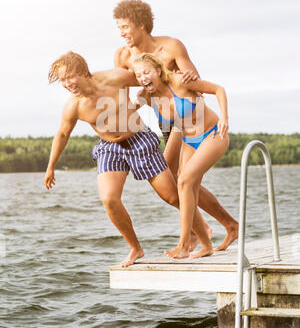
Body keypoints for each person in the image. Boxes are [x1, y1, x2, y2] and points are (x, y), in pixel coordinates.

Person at [44, 51, 213, 266]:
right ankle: (135, 248)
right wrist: (51, 167)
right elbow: (62, 134)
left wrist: (183, 80)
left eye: (70, 77)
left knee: (172, 197)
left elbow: (152, 77)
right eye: (62, 80)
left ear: (84, 72)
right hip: (109, 148)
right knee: (109, 198)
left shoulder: (114, 78)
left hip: (139, 138)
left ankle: (203, 235)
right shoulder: (73, 106)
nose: (67, 84)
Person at [113, 0, 238, 250]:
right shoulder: (123, 56)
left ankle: (198, 234)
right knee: (174, 184)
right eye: (119, 28)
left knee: (182, 180)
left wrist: (189, 79)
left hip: (186, 119)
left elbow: (195, 83)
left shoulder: (170, 47)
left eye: (125, 27)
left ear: (140, 25)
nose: (122, 33)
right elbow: (122, 93)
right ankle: (211, 228)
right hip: (164, 120)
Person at [132, 53, 230, 259]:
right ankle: (206, 244)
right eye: (139, 75)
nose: (143, 77)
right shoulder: (146, 97)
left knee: (185, 180)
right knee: (185, 186)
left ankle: (184, 244)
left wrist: (224, 118)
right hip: (189, 141)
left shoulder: (180, 81)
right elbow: (123, 110)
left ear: (158, 71)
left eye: (147, 72)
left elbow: (218, 89)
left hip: (213, 133)